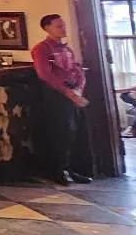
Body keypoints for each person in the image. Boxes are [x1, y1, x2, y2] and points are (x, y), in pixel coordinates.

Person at [30, 13, 93, 185]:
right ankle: (58, 171)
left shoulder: (67, 49)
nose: (63, 29)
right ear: (47, 28)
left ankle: (72, 169)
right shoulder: (41, 49)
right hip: (56, 95)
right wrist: (69, 93)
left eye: (63, 25)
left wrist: (79, 89)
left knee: (75, 132)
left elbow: (78, 70)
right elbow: (45, 75)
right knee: (61, 133)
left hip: (73, 94)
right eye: (59, 26)